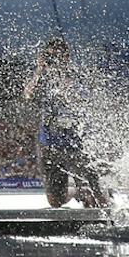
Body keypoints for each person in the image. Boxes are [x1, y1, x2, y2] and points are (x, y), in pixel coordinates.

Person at [26, 37, 104, 208]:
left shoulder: (77, 75)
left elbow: (84, 102)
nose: (55, 60)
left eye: (59, 56)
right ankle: (73, 191)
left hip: (77, 145)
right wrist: (40, 69)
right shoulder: (42, 78)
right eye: (51, 56)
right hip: (49, 145)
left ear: (67, 57)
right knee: (55, 201)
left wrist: (66, 88)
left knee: (94, 199)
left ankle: (91, 194)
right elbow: (28, 96)